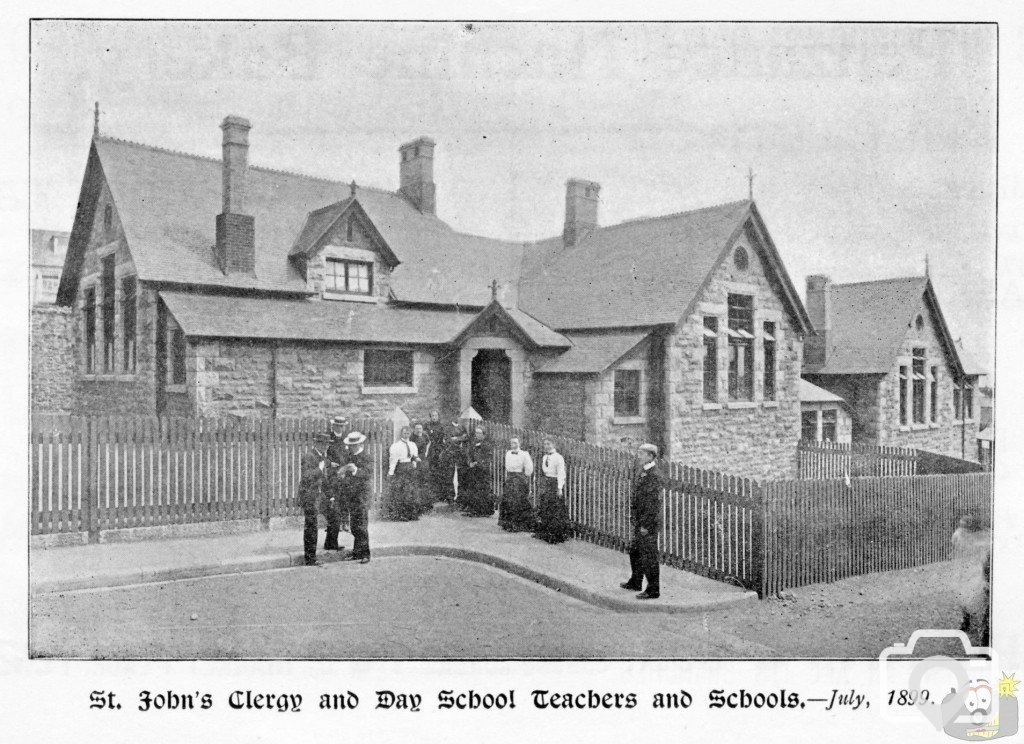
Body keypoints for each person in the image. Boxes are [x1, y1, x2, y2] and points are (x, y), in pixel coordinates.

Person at [621, 443, 664, 600]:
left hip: (648, 523)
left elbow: (653, 504)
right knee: (635, 551)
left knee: (649, 556)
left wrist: (645, 525)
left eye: (642, 453)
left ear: (651, 456)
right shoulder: (644, 471)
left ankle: (653, 590)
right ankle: (635, 582)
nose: (638, 455)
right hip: (640, 520)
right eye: (639, 452)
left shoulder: (654, 475)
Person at [297, 433, 332, 567]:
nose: (325, 446)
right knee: (311, 526)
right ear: (316, 444)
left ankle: (324, 548)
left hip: (318, 496)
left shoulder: (321, 456)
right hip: (309, 496)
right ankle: (310, 558)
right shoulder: (309, 456)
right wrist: (320, 468)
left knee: (329, 518)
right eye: (323, 443)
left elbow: (324, 475)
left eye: (327, 444)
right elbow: (307, 476)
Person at [339, 431, 372, 564]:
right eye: (350, 445)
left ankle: (365, 554)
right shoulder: (348, 456)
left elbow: (367, 474)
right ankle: (357, 552)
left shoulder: (366, 457)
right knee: (354, 525)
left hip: (362, 496)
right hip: (351, 496)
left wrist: (355, 470)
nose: (351, 448)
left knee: (362, 525)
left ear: (360, 444)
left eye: (354, 445)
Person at [533, 438, 570, 543]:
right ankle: (544, 532)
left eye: (549, 444)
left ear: (554, 444)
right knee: (545, 506)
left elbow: (561, 473)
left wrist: (559, 488)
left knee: (554, 508)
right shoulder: (544, 457)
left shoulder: (559, 458)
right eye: (545, 444)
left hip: (554, 483)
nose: (547, 446)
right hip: (547, 482)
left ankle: (554, 534)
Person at [322, 415, 349, 551]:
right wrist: (329, 463)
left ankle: (332, 542)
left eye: (342, 425)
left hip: (343, 477)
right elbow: (321, 456)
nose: (340, 428)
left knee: (340, 508)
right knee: (334, 509)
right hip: (331, 478)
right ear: (333, 426)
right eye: (338, 425)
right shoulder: (328, 438)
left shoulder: (345, 439)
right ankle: (331, 543)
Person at [382, 426, 421, 521]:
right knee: (402, 492)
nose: (406, 435)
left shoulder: (412, 445)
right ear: (401, 434)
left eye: (408, 433)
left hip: (410, 469)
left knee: (411, 491)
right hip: (401, 468)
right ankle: (402, 515)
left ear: (410, 434)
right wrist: (391, 473)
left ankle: (412, 514)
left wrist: (414, 465)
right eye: (404, 433)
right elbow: (393, 460)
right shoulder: (396, 446)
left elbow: (414, 456)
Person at [499, 437, 536, 532]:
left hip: (519, 478)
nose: (513, 445)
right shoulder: (508, 453)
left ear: (520, 443)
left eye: (515, 443)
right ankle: (508, 523)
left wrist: (523, 476)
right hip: (510, 477)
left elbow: (529, 469)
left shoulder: (524, 454)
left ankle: (518, 524)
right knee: (508, 499)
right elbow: (507, 466)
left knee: (517, 500)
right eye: (511, 443)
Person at [461, 426, 495, 517]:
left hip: (482, 470)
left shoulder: (487, 445)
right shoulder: (473, 443)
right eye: (476, 433)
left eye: (479, 433)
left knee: (482, 489)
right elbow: (469, 454)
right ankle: (474, 509)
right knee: (473, 488)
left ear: (484, 434)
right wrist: (470, 462)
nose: (477, 435)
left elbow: (488, 458)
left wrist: (478, 463)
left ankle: (483, 510)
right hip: (473, 469)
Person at [410, 421, 433, 514]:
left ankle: (426, 504)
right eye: (417, 428)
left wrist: (427, 451)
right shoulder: (412, 438)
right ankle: (418, 505)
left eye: (420, 428)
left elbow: (429, 442)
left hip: (424, 460)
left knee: (425, 481)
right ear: (414, 429)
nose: (419, 430)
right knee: (417, 481)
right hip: (416, 460)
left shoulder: (425, 435)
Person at [425, 410, 448, 503]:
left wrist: (442, 450)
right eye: (432, 416)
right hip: (431, 450)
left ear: (438, 416)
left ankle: (441, 495)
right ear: (430, 417)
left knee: (440, 472)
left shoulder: (442, 426)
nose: (434, 417)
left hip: (440, 449)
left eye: (435, 415)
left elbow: (444, 438)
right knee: (432, 472)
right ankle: (432, 495)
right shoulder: (427, 426)